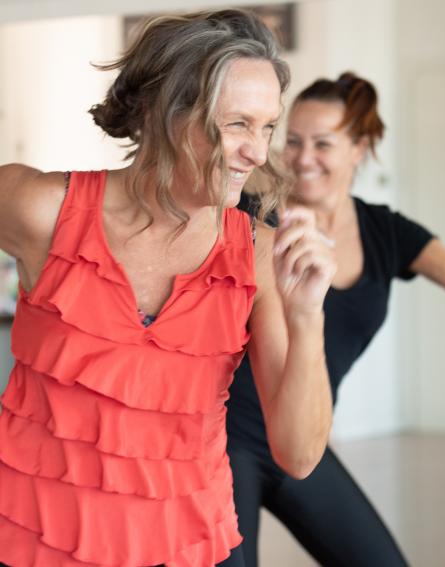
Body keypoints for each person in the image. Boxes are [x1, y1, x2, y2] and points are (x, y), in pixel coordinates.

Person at [0, 10, 336, 567]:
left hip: (185, 545)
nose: (257, 152)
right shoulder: (42, 209)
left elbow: (298, 456)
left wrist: (307, 316)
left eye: (267, 126)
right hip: (32, 538)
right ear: (163, 113)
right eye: (236, 125)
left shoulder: (257, 255)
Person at [227, 72, 445, 567]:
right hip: (225, 439)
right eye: (293, 140)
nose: (302, 158)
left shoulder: (385, 233)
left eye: (323, 143)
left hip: (303, 439)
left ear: (359, 148)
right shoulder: (250, 212)